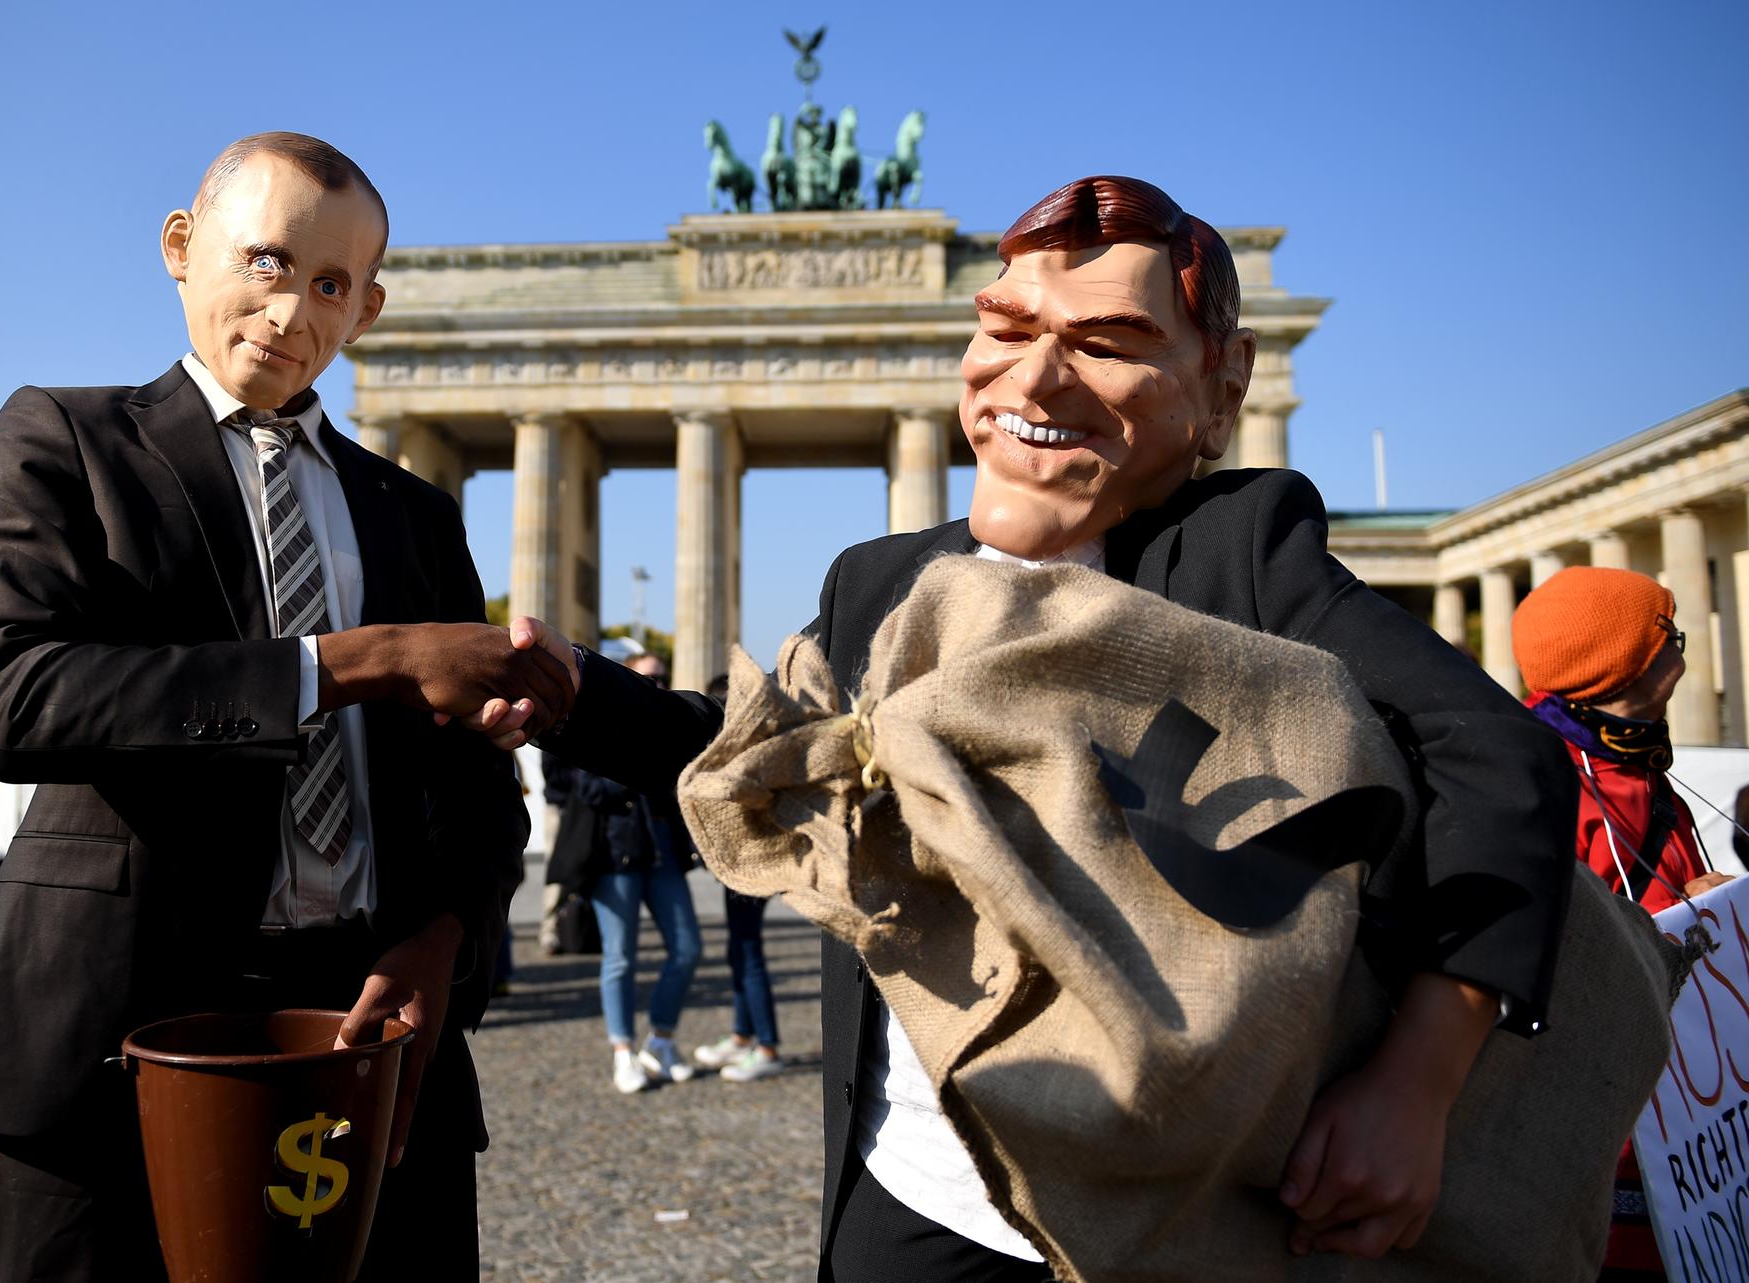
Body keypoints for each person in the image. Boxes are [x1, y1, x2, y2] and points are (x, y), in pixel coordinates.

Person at [493, 176, 1577, 1280]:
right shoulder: (878, 581)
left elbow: (1500, 755)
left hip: (1163, 1200)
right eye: (1008, 328)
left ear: (1223, 385)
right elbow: (770, 758)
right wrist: (575, 688)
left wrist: (1420, 1077)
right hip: (919, 1171)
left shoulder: (1238, 555)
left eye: (1108, 341)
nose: (1037, 374)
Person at [0, 132, 574, 1282]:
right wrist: (347, 661)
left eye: (329, 285)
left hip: (369, 1021)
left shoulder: (415, 512)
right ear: (182, 247)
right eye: (265, 262)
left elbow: (475, 790)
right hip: (118, 1020)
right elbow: (17, 696)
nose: (289, 309)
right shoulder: (65, 441)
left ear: (367, 308)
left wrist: (447, 933)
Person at [1513, 565, 1731, 1280]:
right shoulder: (1541, 783)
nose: (1682, 644)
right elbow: (1548, 962)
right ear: (1628, 660)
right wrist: (1682, 924)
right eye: (1667, 630)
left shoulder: (1649, 774)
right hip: (1613, 1143)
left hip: (1692, 1116)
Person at [580, 652, 705, 1093]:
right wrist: (635, 765)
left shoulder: (674, 725)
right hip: (616, 855)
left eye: (663, 676)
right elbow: (583, 789)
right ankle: (623, 1051)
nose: (658, 683)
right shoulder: (598, 724)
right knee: (620, 957)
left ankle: (661, 1039)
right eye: (648, 677)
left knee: (688, 948)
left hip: (663, 854)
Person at [691, 674, 783, 1084]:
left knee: (748, 952)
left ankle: (766, 1046)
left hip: (755, 859)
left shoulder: (756, 746)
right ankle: (744, 1036)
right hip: (744, 859)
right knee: (739, 948)